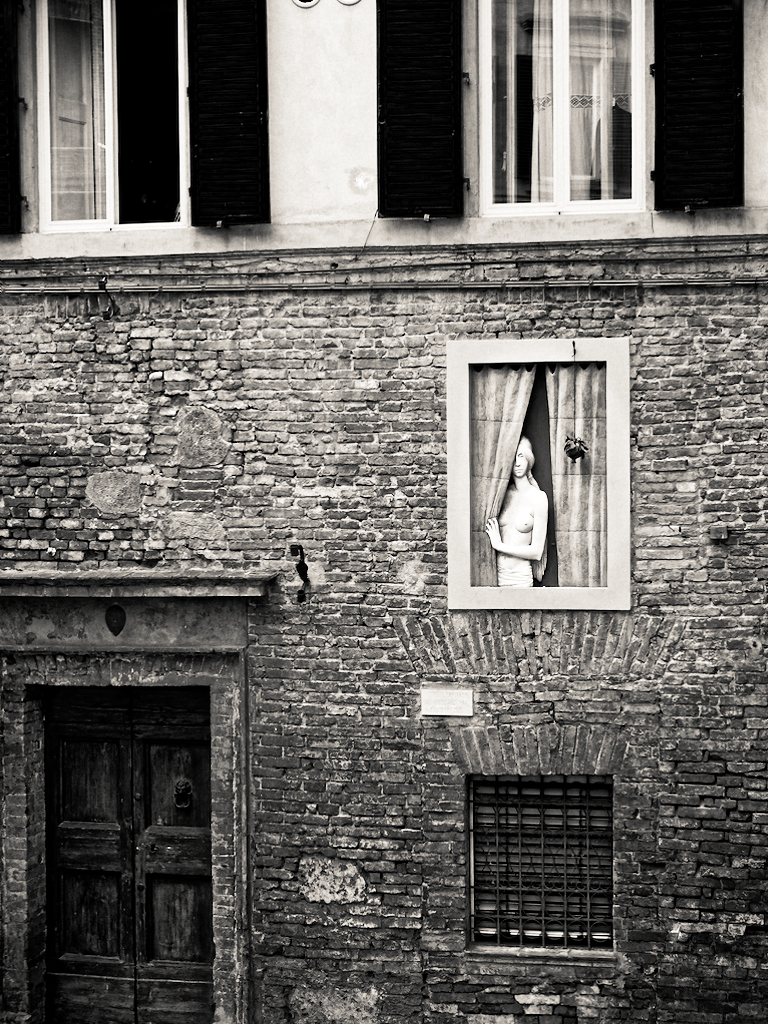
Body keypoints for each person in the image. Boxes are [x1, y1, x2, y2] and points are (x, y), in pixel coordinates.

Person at [485, 436, 548, 588]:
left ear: (529, 459)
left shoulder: (538, 498)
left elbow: (537, 552)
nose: (517, 463)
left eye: (521, 456)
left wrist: (499, 545)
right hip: (495, 576)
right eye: (513, 457)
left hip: (520, 578)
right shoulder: (500, 496)